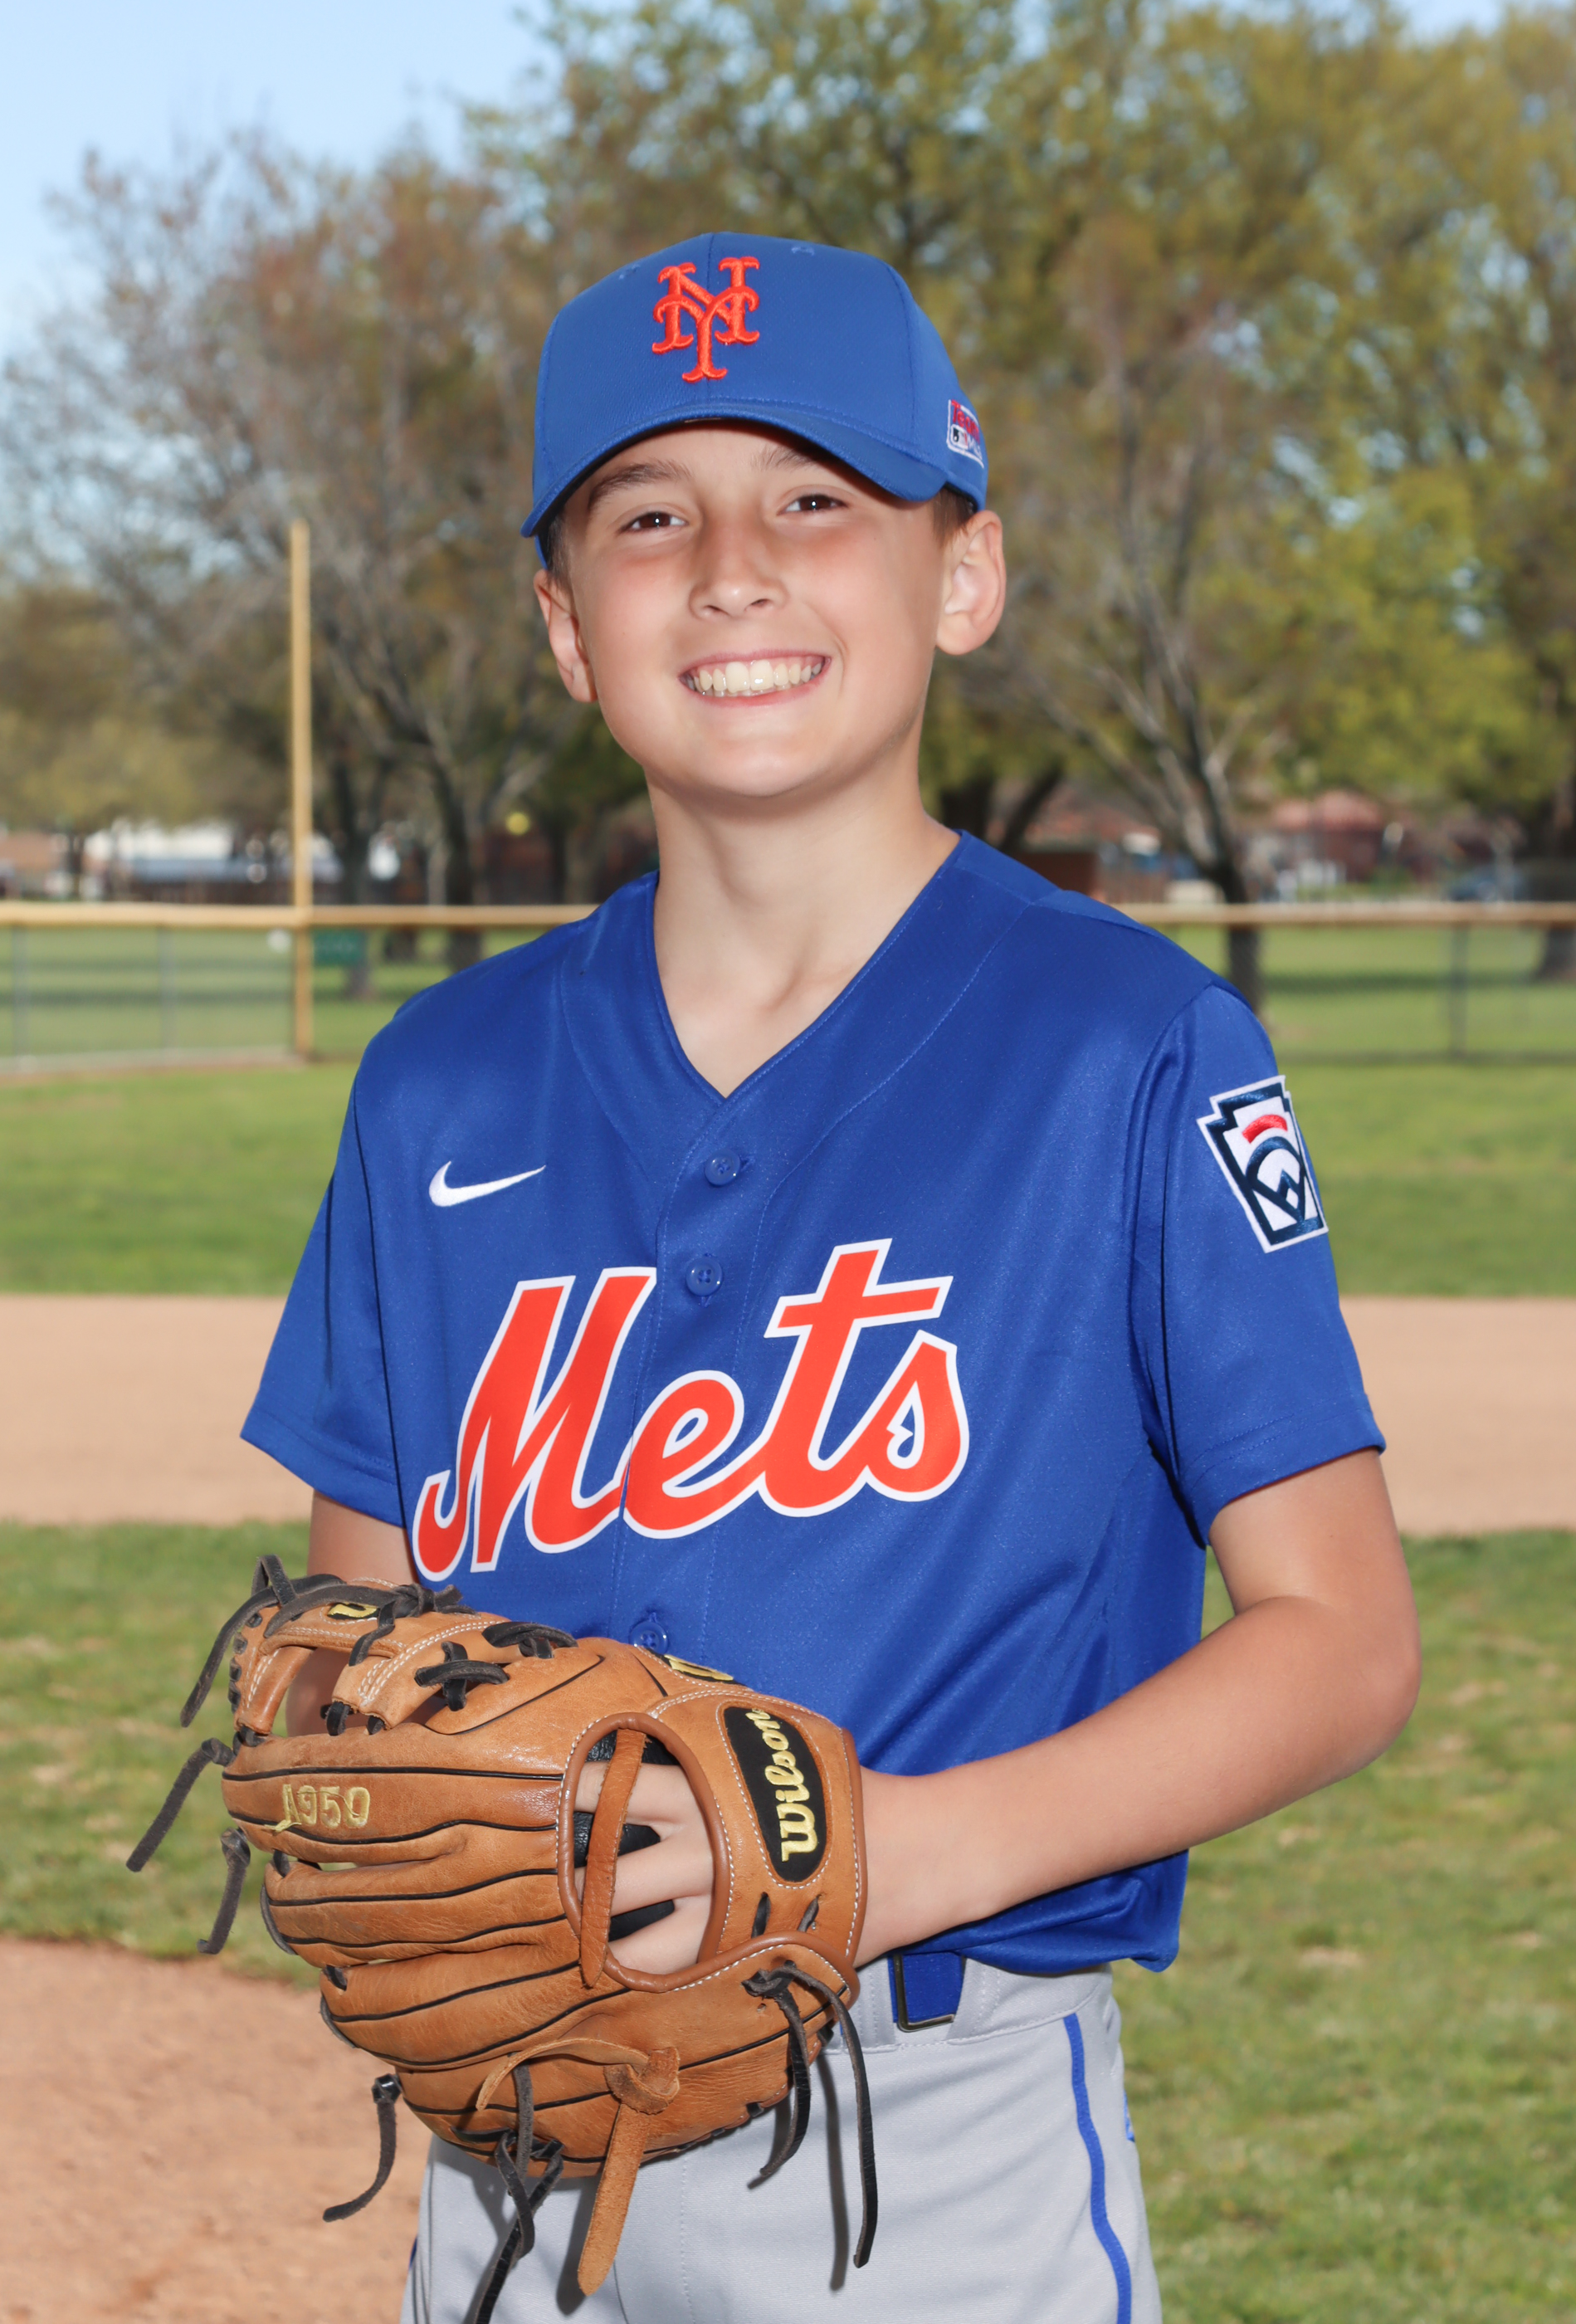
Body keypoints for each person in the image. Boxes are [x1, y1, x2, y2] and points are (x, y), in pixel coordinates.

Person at [243, 232, 1420, 2324]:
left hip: (927, 2135)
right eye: (646, 516)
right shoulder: (440, 1082)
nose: (730, 570)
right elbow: (368, 1628)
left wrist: (899, 1849)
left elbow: (1341, 1636)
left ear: (963, 574)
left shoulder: (1129, 1047)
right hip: (509, 2136)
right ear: (563, 622)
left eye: (814, 498)